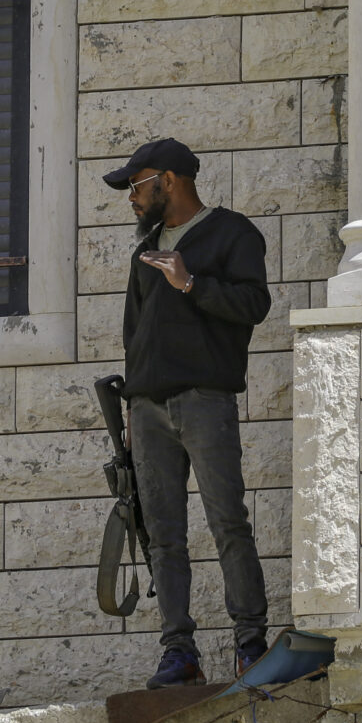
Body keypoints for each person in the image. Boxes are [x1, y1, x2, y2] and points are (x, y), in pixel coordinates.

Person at [103, 138, 272, 690]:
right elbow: (134, 335)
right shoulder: (143, 250)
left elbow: (255, 306)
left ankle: (251, 644)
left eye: (137, 183)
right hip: (147, 411)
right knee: (162, 536)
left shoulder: (233, 233)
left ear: (169, 181)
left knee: (228, 523)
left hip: (205, 401)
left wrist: (191, 283)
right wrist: (131, 410)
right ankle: (179, 654)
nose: (132, 196)